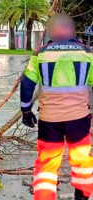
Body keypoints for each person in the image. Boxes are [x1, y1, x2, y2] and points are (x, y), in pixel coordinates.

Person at [21, 14, 93, 200]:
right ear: (72, 30)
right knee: (81, 159)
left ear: (51, 31)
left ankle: (44, 196)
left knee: (47, 163)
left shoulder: (41, 53)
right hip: (79, 119)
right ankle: (82, 195)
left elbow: (27, 83)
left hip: (49, 119)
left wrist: (26, 110)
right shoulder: (87, 52)